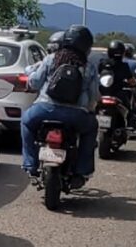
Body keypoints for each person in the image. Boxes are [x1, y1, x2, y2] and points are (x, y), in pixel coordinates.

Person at [21, 24, 99, 184]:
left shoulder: (51, 59)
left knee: (26, 123)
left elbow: (35, 83)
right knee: (91, 129)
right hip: (77, 115)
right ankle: (82, 172)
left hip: (44, 109)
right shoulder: (89, 67)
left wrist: (28, 80)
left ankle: (30, 165)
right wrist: (89, 110)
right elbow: (94, 96)